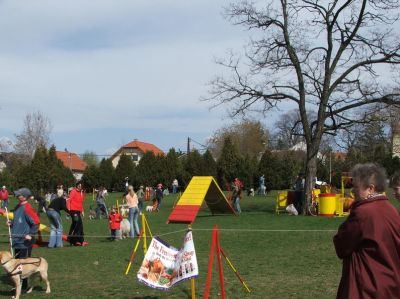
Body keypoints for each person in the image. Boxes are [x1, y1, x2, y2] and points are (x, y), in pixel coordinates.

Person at [333, 163, 400, 298]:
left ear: (370, 189)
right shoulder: (392, 210)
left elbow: (341, 245)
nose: (352, 191)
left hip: (366, 287)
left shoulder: (363, 213)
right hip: (390, 284)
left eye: (356, 187)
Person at [9, 188, 40, 291]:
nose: (17, 196)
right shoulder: (18, 206)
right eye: (17, 195)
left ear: (25, 196)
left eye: (19, 195)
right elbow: (17, 220)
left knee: (24, 264)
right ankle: (19, 284)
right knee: (17, 263)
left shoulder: (28, 208)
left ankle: (24, 285)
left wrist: (30, 234)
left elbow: (36, 222)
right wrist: (11, 223)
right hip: (16, 240)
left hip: (24, 242)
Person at [67, 181, 88, 246]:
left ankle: (77, 241)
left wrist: (82, 211)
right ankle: (76, 240)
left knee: (77, 225)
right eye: (79, 186)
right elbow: (69, 200)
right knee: (78, 224)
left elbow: (80, 203)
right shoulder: (73, 191)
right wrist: (68, 209)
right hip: (73, 211)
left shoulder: (81, 193)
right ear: (77, 186)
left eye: (81, 186)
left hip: (78, 211)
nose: (80, 187)